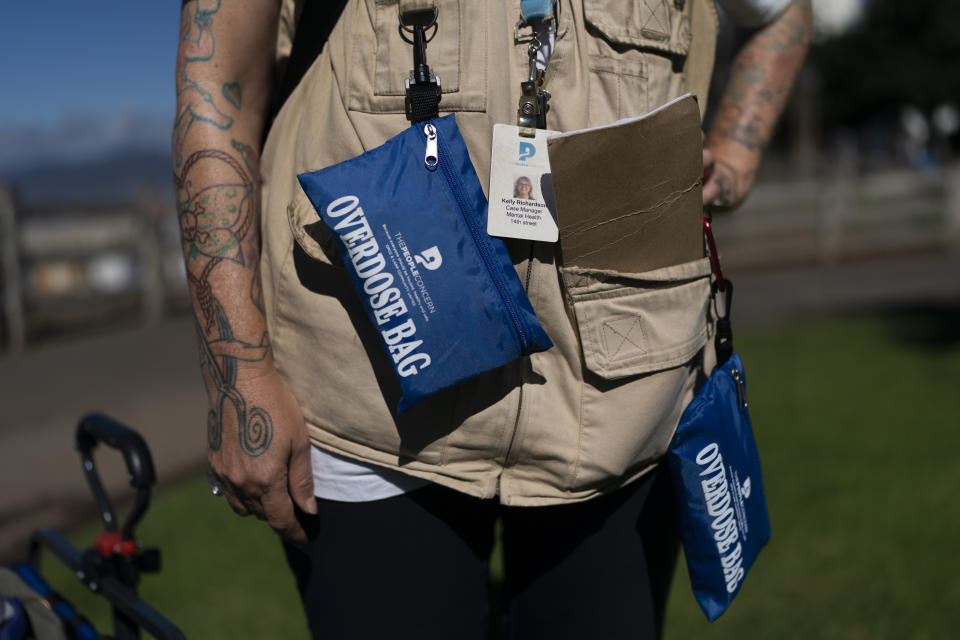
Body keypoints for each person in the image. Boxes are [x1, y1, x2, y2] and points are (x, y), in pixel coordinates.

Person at [173, 1, 811, 638]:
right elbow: (216, 84)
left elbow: (781, 13)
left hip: (627, 403)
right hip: (365, 404)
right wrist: (238, 377)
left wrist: (735, 153)